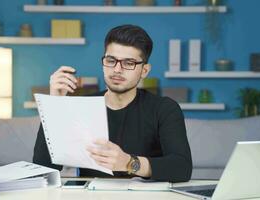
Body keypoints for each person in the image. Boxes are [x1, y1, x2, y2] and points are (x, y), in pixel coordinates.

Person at [33, 24, 192, 182]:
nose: (117, 69)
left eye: (129, 63)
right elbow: (44, 171)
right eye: (111, 60)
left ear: (144, 71)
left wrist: (129, 163)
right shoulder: (81, 107)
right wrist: (54, 105)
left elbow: (182, 167)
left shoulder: (164, 108)